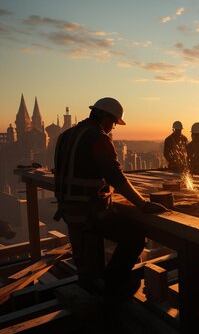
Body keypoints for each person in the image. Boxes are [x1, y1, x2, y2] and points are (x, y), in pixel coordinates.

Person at [54, 97, 167, 299]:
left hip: (68, 210)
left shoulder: (66, 136)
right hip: (89, 212)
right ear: (104, 118)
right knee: (134, 237)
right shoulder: (98, 138)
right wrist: (143, 204)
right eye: (114, 123)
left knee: (92, 252)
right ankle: (112, 285)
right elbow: (115, 176)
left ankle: (96, 281)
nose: (113, 128)